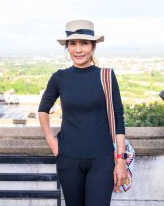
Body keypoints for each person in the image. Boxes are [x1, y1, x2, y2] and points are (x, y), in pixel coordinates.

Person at [38, 20, 128, 206]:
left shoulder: (106, 76)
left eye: (84, 43)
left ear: (93, 47)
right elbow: (43, 110)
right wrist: (52, 142)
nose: (78, 50)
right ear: (67, 47)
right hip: (68, 159)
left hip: (102, 160)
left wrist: (120, 160)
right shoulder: (59, 77)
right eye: (73, 44)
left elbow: (118, 119)